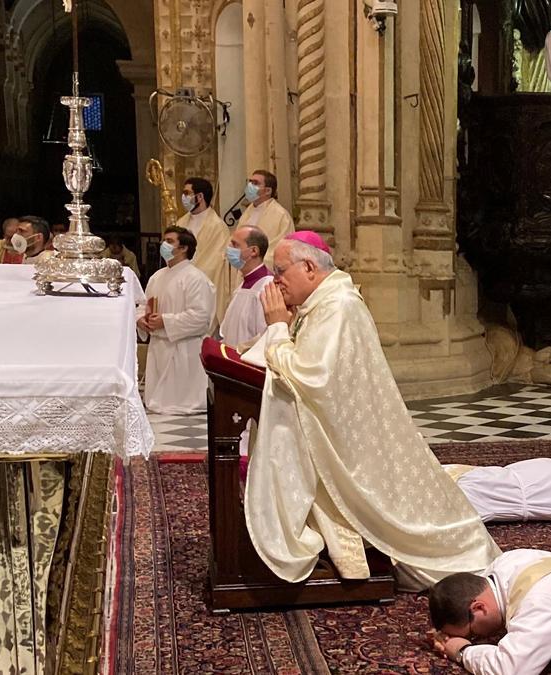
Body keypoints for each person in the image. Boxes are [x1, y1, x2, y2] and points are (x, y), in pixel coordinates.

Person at [244, 235, 499, 591]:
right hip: (342, 427)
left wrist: (276, 327)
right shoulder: (321, 303)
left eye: (281, 270)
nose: (275, 281)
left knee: (400, 510)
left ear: (309, 268)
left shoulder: (338, 306)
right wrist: (279, 330)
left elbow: (309, 376)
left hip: (352, 441)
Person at [137, 227, 216, 415]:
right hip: (159, 345)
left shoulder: (195, 278)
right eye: (164, 240)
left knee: (180, 402)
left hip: (183, 346)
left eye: (170, 241)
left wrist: (165, 321)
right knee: (157, 402)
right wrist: (141, 319)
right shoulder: (157, 276)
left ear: (184, 248)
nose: (164, 244)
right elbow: (143, 304)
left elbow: (200, 318)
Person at [175, 176, 233, 325]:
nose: (183, 197)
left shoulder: (218, 227)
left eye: (187, 193)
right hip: (179, 284)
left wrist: (190, 274)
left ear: (200, 196)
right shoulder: (181, 223)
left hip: (202, 286)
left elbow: (216, 262)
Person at [220, 226, 278, 349]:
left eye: (235, 245)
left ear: (253, 251)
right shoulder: (241, 286)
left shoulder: (267, 288)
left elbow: (265, 339)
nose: (229, 249)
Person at [236, 169, 296, 259]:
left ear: (268, 191)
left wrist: (253, 259)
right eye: (250, 182)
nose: (250, 186)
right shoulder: (247, 213)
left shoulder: (281, 216)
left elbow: (283, 249)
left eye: (255, 183)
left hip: (264, 267)